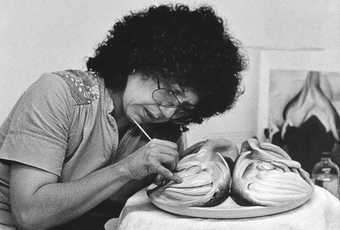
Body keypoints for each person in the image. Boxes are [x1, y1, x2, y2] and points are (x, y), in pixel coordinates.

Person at [0, 4, 246, 229]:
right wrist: (127, 169)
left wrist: (205, 161)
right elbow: (29, 215)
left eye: (184, 108)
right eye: (170, 93)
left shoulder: (165, 130)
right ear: (137, 62)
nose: (169, 112)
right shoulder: (58, 94)